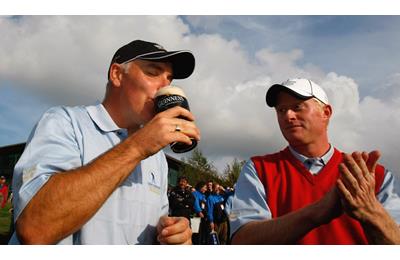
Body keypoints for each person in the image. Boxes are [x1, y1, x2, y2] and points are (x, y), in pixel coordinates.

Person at [9, 39, 201, 245]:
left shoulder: (158, 158)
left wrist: (174, 235)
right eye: (153, 73)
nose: (166, 86)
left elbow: (153, 228)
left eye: (169, 79)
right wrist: (137, 147)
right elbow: (34, 228)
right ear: (117, 74)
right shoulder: (65, 122)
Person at [230, 78, 400, 244]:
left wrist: (371, 212)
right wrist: (316, 212)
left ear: (325, 113)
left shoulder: (373, 175)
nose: (288, 116)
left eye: (297, 107)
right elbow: (241, 240)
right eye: (281, 110)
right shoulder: (259, 169)